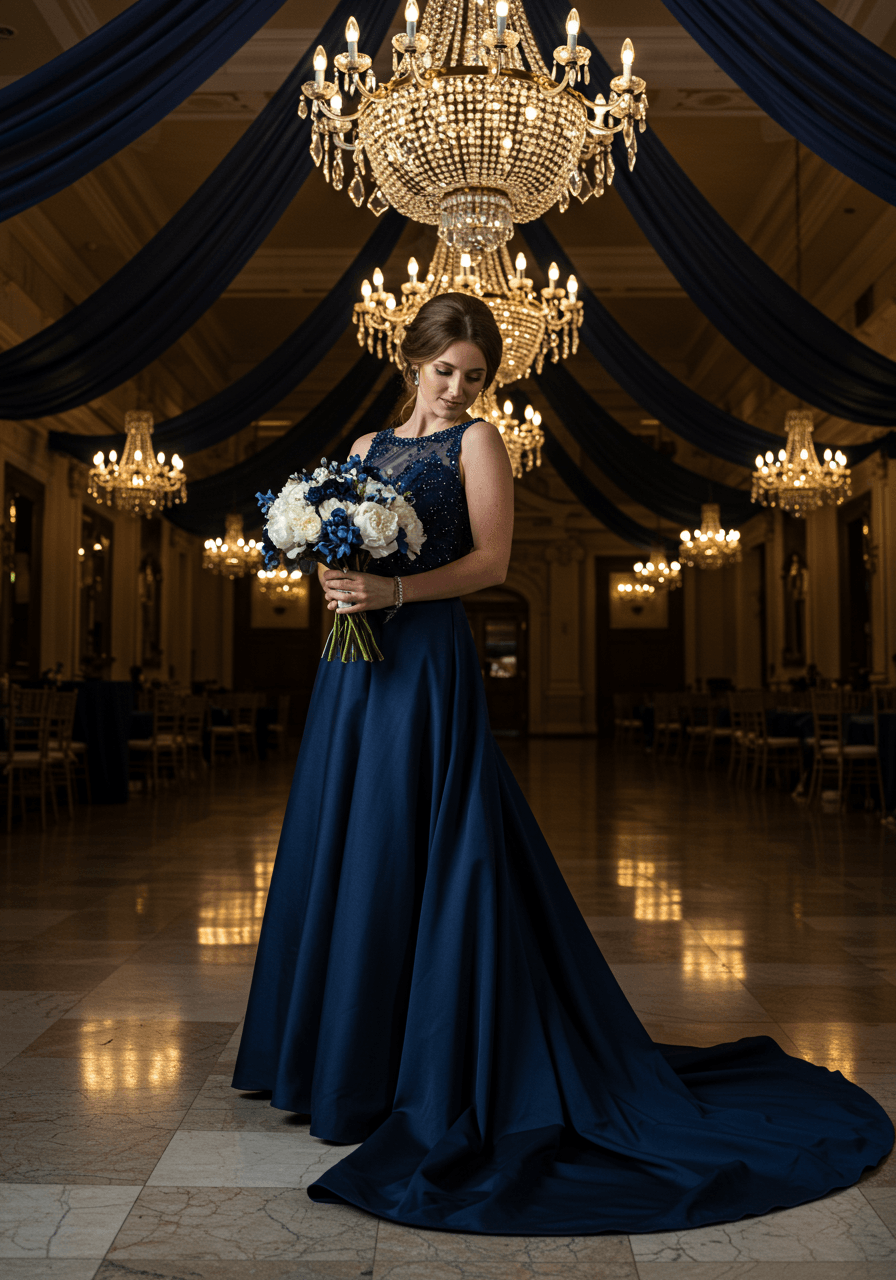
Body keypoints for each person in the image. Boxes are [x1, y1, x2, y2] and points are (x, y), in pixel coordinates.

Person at [233, 293, 892, 1235]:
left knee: (413, 842)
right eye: (443, 371)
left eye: (472, 375)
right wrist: (337, 578)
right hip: (353, 671)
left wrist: (391, 586)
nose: (456, 388)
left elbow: (493, 562)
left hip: (423, 665)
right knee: (348, 841)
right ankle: (332, 1062)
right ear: (410, 361)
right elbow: (330, 539)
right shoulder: (368, 448)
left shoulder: (480, 443)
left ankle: (409, 1068)